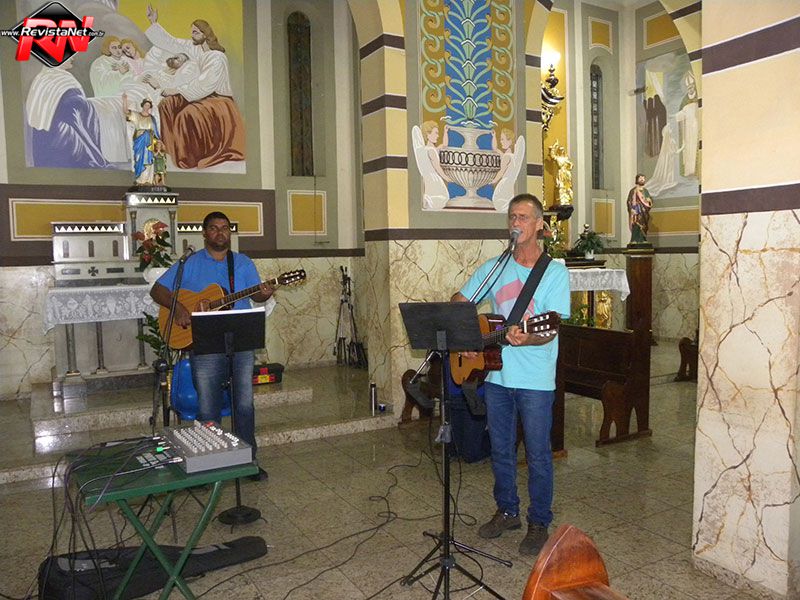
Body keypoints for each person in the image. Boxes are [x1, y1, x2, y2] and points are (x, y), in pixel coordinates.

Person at [452, 194, 570, 556]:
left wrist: (528, 337)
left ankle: (539, 522)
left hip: (535, 379)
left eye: (523, 217)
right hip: (496, 377)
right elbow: (460, 301)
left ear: (539, 225)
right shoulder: (495, 266)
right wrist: (466, 338)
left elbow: (550, 329)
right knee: (500, 449)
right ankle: (507, 511)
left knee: (537, 453)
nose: (515, 223)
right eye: (512, 217)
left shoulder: (554, 272)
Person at [150, 212, 275, 481]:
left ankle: (248, 461)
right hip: (205, 344)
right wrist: (179, 308)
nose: (220, 233)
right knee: (208, 407)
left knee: (244, 405)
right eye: (214, 228)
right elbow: (157, 290)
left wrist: (264, 292)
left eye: (225, 228)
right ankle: (209, 464)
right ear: (205, 233)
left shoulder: (242, 263)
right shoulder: (190, 264)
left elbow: (255, 294)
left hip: (240, 342)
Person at [144, 4, 245, 169]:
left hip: (218, 100)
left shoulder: (217, 57)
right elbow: (171, 42)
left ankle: (189, 157)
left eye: (196, 32)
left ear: (206, 34)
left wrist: (175, 90)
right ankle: (171, 149)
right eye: (192, 32)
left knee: (186, 114)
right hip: (196, 95)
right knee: (166, 105)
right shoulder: (194, 49)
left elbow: (205, 84)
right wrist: (153, 23)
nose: (192, 35)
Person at [25, 60, 110, 169]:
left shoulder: (43, 78)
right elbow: (75, 118)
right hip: (67, 150)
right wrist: (98, 158)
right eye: (69, 56)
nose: (73, 58)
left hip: (47, 154)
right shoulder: (61, 81)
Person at [122, 94, 160, 185]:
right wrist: (125, 100)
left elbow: (155, 132)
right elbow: (126, 111)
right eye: (145, 105)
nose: (147, 107)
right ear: (142, 105)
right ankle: (140, 180)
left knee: (148, 160)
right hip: (139, 141)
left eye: (148, 105)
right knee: (139, 159)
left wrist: (158, 142)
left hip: (149, 142)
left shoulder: (152, 118)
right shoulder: (136, 115)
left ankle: (148, 180)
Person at [627, 173, 653, 243]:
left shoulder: (645, 191)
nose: (642, 180)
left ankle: (643, 239)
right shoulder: (633, 191)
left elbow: (649, 200)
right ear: (637, 180)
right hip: (636, 211)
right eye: (640, 178)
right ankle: (634, 239)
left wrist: (649, 201)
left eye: (643, 178)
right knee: (636, 224)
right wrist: (631, 209)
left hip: (644, 212)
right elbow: (629, 201)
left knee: (644, 225)